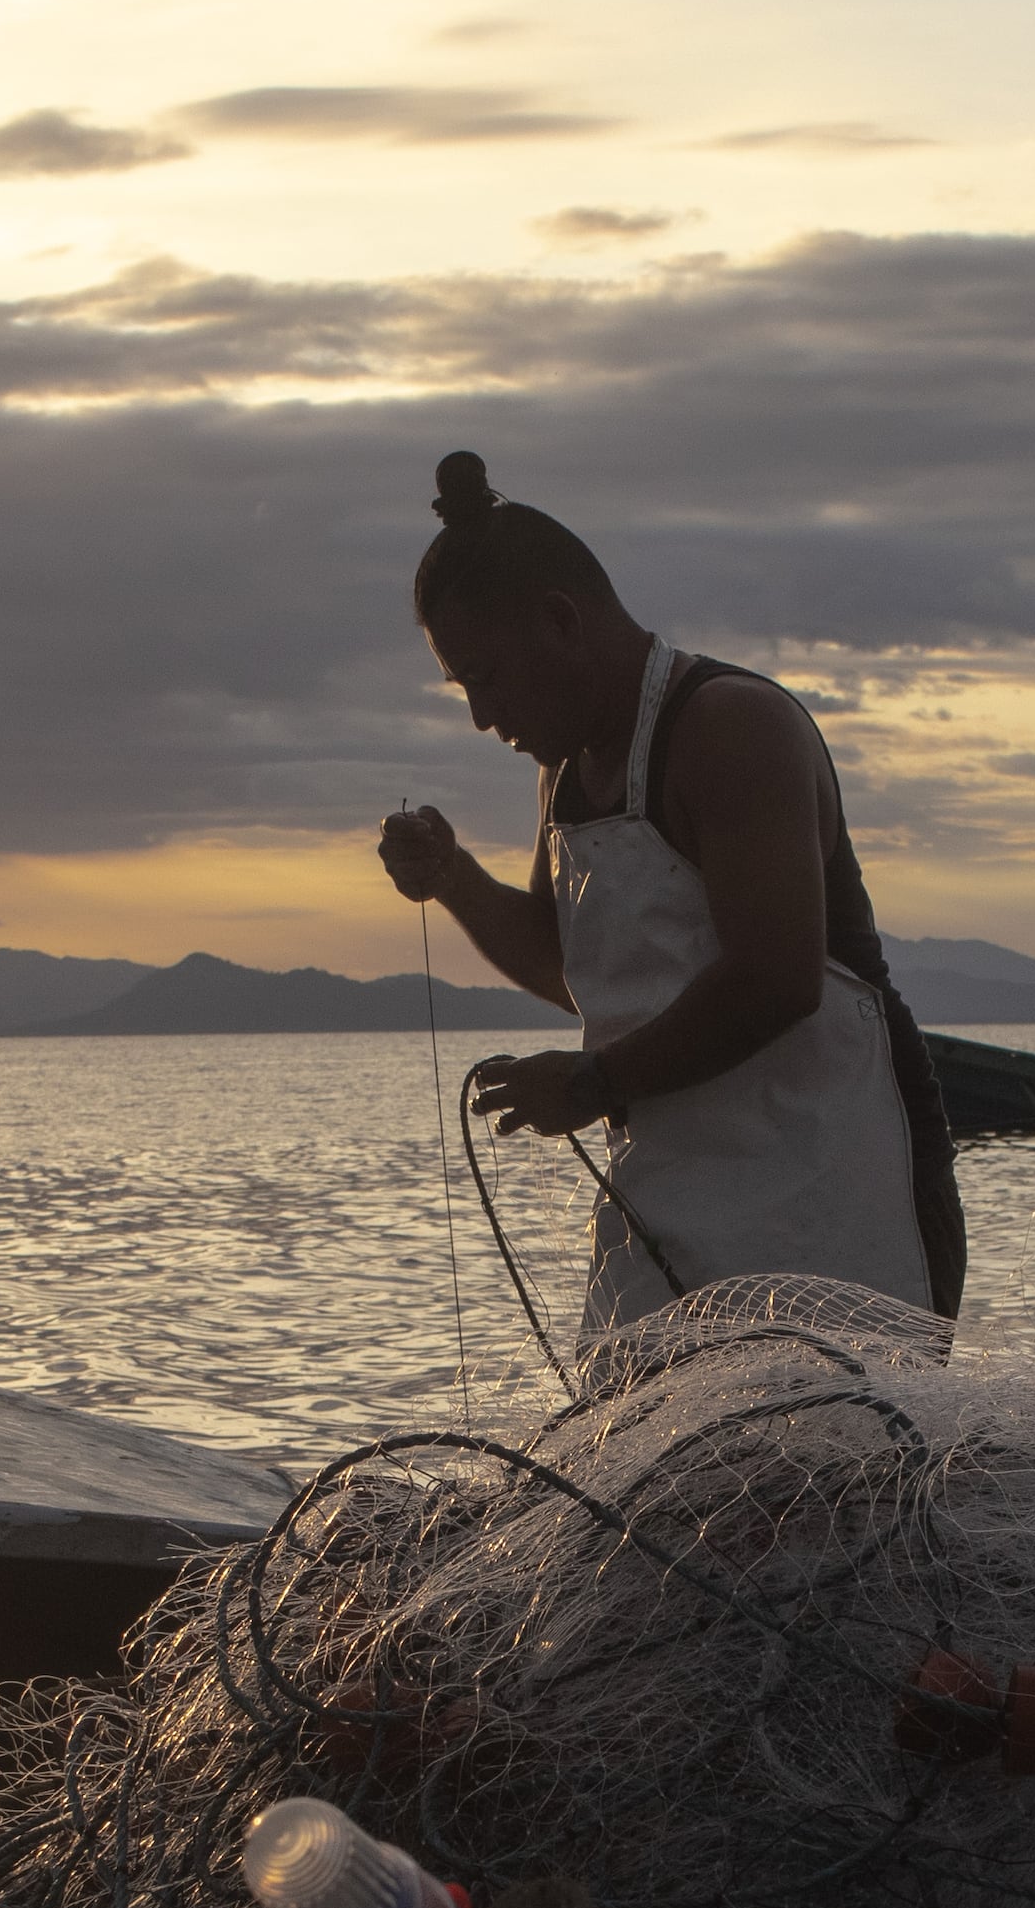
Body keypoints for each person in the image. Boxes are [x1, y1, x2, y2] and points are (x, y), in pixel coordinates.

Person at [375, 452, 965, 1336]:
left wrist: (591, 1082)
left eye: (487, 678)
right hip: (673, 1196)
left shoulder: (731, 729)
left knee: (823, 1459)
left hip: (835, 1184)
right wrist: (453, 879)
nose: (480, 718)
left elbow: (776, 978)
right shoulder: (566, 777)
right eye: (464, 689)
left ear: (561, 621)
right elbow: (572, 965)